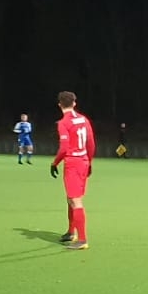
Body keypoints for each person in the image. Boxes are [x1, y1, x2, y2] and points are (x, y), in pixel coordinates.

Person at [50, 90, 95, 249]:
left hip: (73, 163)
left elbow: (63, 148)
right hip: (83, 160)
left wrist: (55, 163)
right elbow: (91, 143)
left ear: (60, 105)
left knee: (75, 200)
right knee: (71, 197)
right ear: (74, 103)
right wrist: (89, 162)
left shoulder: (63, 123)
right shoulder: (84, 119)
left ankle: (82, 239)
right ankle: (71, 232)